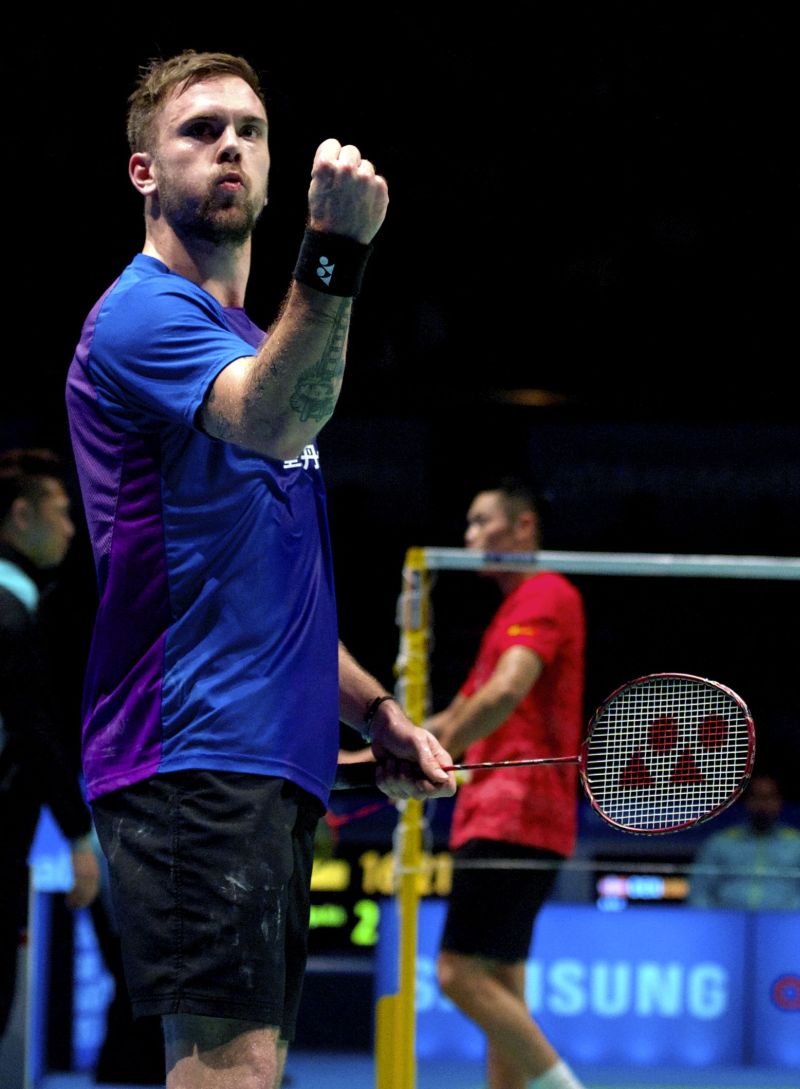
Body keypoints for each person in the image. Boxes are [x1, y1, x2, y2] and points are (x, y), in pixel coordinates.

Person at [65, 49, 455, 1089]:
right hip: (189, 750)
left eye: (249, 128)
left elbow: (270, 596)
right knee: (228, 1071)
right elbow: (277, 417)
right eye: (199, 130)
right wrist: (332, 254)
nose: (229, 143)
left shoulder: (246, 334)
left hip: (259, 760)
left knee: (254, 1069)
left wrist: (374, 715)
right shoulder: (145, 315)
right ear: (144, 171)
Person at [425, 477, 586, 1089]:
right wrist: (372, 753)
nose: (469, 537)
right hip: (503, 816)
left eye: (480, 521)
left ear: (523, 528)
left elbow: (504, 693)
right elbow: (455, 715)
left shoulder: (546, 593)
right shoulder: (508, 615)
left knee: (458, 973)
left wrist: (437, 753)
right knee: (501, 983)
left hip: (513, 814)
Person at [0, 448, 100, 1043]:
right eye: (60, 513)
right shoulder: (9, 616)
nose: (71, 528)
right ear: (20, 516)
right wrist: (79, 836)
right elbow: (33, 738)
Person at [688, 771, 800, 910]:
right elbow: (699, 893)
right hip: (726, 925)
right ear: (747, 801)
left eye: (769, 797)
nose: (762, 805)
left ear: (779, 801)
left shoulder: (796, 844)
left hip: (785, 925)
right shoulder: (720, 843)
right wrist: (712, 923)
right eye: (757, 797)